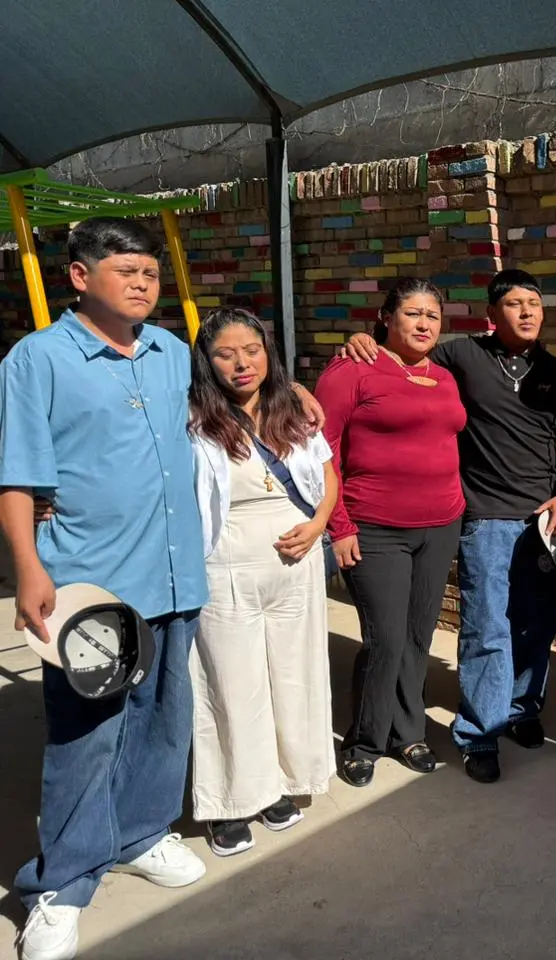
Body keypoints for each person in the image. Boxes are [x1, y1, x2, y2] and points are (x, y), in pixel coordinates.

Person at [2, 219, 327, 960]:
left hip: (178, 575)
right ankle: (61, 884)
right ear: (80, 278)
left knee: (163, 720)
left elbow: (241, 383)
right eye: (126, 271)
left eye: (150, 272)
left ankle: (143, 834)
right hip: (93, 585)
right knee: (86, 738)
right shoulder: (39, 360)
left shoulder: (171, 354)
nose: (143, 284)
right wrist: (28, 567)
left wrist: (295, 384)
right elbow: (18, 474)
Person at [342, 269, 556, 784]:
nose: (527, 312)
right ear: (490, 315)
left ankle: (521, 709)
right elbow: (403, 352)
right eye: (515, 304)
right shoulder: (461, 356)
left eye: (535, 303)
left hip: (546, 521)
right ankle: (479, 732)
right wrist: (361, 338)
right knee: (486, 628)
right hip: (484, 519)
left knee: (537, 627)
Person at [189, 307, 339, 856]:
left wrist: (321, 523)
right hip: (226, 565)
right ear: (207, 362)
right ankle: (231, 801)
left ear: (267, 352)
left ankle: (280, 781)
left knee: (293, 676)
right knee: (231, 685)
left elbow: (327, 474)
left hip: (295, 567)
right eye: (225, 354)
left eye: (251, 350)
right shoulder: (191, 418)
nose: (241, 363)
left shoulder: (292, 409)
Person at [317, 279, 467, 788]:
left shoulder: (445, 377)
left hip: (441, 525)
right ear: (385, 317)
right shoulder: (352, 369)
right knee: (385, 639)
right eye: (412, 313)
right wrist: (337, 526)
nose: (425, 324)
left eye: (433, 315)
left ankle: (409, 731)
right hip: (375, 527)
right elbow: (322, 450)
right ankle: (365, 740)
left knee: (418, 637)